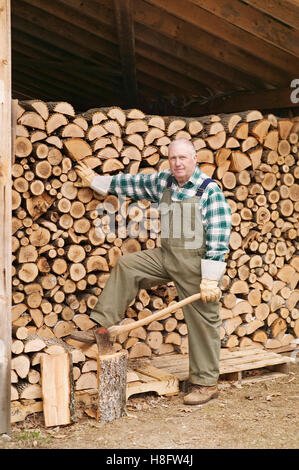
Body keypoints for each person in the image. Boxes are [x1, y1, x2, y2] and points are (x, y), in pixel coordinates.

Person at [73, 139, 232, 405]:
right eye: (173, 158)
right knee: (128, 265)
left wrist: (210, 278)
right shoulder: (164, 182)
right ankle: (102, 325)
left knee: (204, 323)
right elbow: (132, 184)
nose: (178, 163)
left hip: (196, 267)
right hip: (167, 256)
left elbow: (219, 232)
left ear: (195, 159)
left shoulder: (209, 191)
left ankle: (205, 384)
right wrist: (97, 182)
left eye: (183, 158)